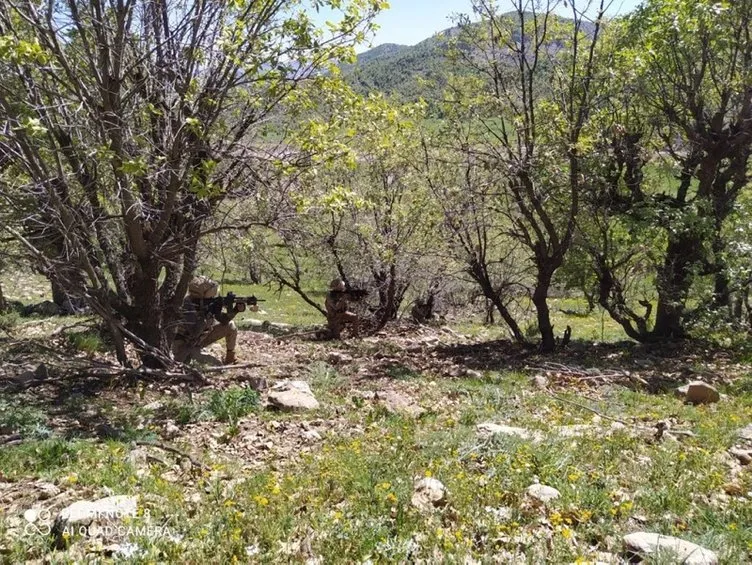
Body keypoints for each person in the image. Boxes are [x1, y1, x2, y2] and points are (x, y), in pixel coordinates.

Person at [173, 276, 250, 364]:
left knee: (230, 325)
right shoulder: (187, 305)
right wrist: (206, 313)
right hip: (184, 345)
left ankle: (230, 357)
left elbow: (224, 320)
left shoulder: (205, 303)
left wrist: (235, 310)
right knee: (218, 366)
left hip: (200, 340)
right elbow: (194, 331)